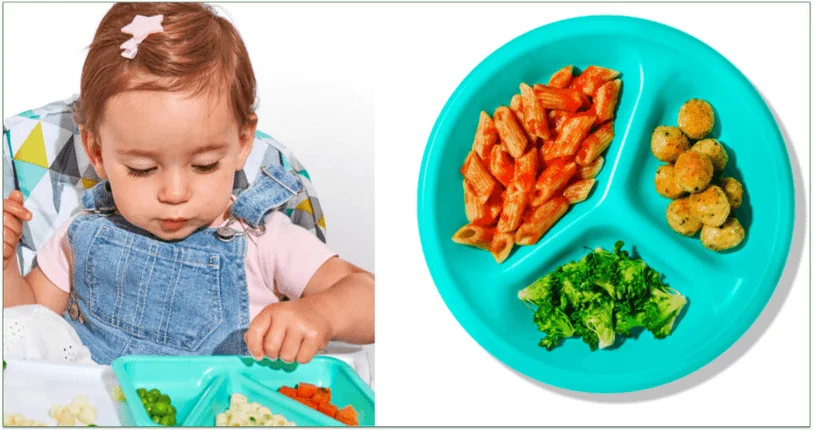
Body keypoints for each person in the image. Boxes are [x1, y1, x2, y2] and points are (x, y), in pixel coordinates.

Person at [2, 2, 374, 366]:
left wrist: (320, 313)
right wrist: (5, 267)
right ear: (96, 153)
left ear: (243, 142)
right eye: (143, 168)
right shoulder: (81, 235)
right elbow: (29, 327)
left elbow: (373, 299)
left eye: (205, 165)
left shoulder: (263, 241)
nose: (175, 194)